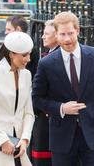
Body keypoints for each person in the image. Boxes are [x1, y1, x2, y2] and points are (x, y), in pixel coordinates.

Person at [32, 11, 94, 166]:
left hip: (92, 134)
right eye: (62, 34)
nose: (67, 39)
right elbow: (36, 99)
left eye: (70, 33)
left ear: (78, 30)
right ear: (56, 34)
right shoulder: (46, 63)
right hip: (61, 138)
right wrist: (62, 108)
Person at [0, 32, 35, 166]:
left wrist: (25, 139)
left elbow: (29, 113)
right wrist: (3, 141)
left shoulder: (26, 75)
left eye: (29, 54)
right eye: (24, 55)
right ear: (11, 54)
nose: (28, 59)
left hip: (19, 144)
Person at [31, 19, 59, 166]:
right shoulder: (47, 55)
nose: (42, 36)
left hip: (48, 116)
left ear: (57, 35)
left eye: (46, 33)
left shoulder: (51, 59)